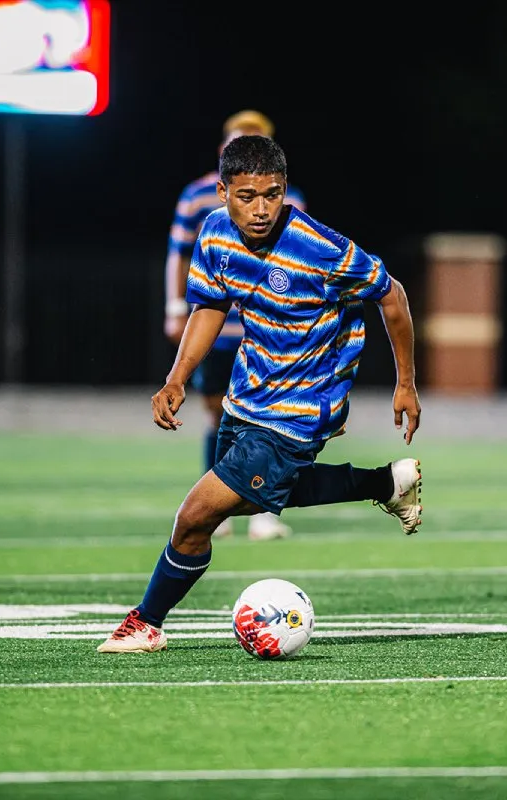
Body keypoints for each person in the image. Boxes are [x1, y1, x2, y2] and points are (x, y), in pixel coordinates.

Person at [100, 134, 422, 653]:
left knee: (196, 514)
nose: (261, 209)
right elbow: (210, 306)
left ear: (285, 189)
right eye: (247, 196)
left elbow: (393, 296)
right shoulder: (214, 232)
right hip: (248, 392)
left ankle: (145, 622)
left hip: (304, 404)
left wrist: (405, 382)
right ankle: (385, 483)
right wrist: (177, 377)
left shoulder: (320, 249)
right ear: (223, 192)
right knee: (253, 495)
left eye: (272, 195)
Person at [163, 110, 307, 542]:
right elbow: (178, 253)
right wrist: (175, 306)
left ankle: (263, 510)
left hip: (269, 332)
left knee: (269, 420)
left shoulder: (288, 199)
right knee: (219, 414)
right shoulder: (198, 197)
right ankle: (218, 506)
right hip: (219, 329)